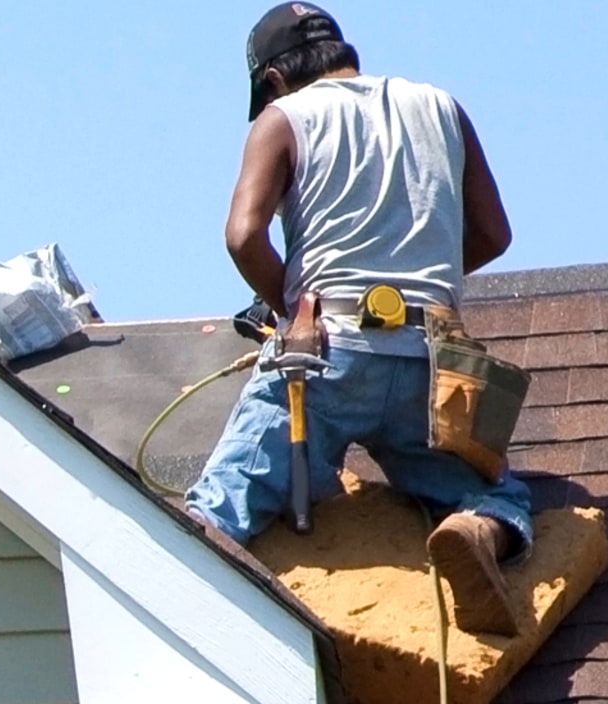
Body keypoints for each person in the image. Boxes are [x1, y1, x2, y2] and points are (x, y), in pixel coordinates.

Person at [184, 2, 533, 636]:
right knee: (498, 495)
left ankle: (203, 631)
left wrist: (292, 303)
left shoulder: (282, 117)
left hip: (327, 349)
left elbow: (243, 236)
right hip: (434, 362)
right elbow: (494, 234)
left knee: (219, 509)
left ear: (273, 79)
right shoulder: (441, 107)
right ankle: (477, 530)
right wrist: (427, 281)